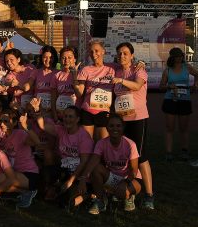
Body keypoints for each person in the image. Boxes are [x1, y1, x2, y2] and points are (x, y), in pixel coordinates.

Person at [112, 42, 154, 209]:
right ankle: (129, 189)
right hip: (122, 121)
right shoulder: (116, 70)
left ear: (132, 56)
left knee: (141, 157)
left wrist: (121, 80)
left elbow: (136, 85)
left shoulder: (139, 70)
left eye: (125, 53)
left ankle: (149, 194)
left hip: (138, 119)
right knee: (126, 156)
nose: (122, 56)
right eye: (119, 53)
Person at [29, 99, 94, 207]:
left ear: (77, 119)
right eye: (65, 116)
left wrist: (70, 181)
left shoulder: (84, 136)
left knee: (65, 202)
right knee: (46, 176)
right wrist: (37, 110)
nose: (67, 119)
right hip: (64, 169)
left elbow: (84, 162)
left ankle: (88, 194)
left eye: (70, 117)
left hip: (79, 174)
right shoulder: (61, 130)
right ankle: (53, 188)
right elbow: (42, 125)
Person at [78, 114, 142, 215]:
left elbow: (134, 170)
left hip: (129, 178)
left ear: (123, 127)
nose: (115, 129)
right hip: (112, 177)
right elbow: (93, 161)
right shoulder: (101, 143)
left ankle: (129, 197)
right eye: (111, 126)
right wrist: (83, 178)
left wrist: (125, 182)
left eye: (118, 126)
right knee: (96, 168)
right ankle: (100, 200)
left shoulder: (130, 144)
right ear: (107, 128)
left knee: (123, 193)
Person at [0, 109, 41, 208]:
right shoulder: (3, 136)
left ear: (15, 122)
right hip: (15, 173)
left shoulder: (20, 134)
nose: (2, 124)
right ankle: (25, 192)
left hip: (29, 174)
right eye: (1, 121)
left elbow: (37, 142)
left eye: (6, 121)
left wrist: (26, 127)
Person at [159, 47, 198, 162]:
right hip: (170, 100)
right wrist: (168, 86)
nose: (179, 58)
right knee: (170, 127)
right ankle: (169, 152)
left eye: (181, 56)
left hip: (185, 100)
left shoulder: (187, 67)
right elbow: (161, 86)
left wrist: (195, 86)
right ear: (172, 57)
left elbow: (197, 74)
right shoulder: (167, 70)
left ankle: (184, 151)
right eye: (177, 56)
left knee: (184, 128)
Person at [74, 40, 116, 141]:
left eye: (96, 51)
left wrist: (140, 64)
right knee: (87, 143)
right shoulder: (85, 70)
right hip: (87, 111)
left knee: (103, 143)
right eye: (91, 52)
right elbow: (79, 93)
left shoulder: (112, 68)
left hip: (104, 111)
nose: (94, 54)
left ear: (103, 51)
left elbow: (127, 66)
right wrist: (74, 76)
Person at [51, 46, 80, 121]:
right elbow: (53, 98)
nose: (66, 60)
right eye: (63, 58)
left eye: (69, 57)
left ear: (75, 59)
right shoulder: (57, 76)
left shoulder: (81, 74)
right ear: (60, 60)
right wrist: (55, 117)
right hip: (61, 115)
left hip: (75, 116)